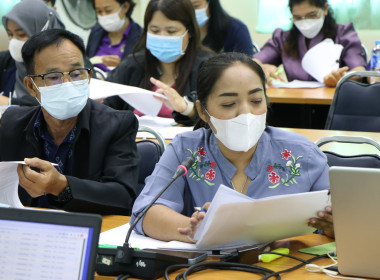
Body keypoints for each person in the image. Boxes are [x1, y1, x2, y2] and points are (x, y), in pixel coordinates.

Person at [130, 52, 333, 243]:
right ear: (202, 111)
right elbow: (145, 213)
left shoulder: (303, 154)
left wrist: (334, 227)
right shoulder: (186, 151)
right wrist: (200, 229)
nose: (246, 113)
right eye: (228, 104)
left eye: (255, 100)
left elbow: (342, 221)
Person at [0, 29, 139, 215]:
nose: (67, 84)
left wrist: (61, 186)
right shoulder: (11, 125)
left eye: (76, 74)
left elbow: (123, 197)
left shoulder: (117, 125)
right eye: (53, 77)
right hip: (24, 233)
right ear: (31, 87)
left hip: (85, 233)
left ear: (89, 77)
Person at [104, 0, 213, 126]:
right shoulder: (132, 65)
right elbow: (106, 108)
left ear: (190, 32)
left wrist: (188, 108)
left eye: (171, 31)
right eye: (155, 31)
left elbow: (218, 119)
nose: (163, 37)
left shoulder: (207, 68)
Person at [253, 0, 366, 87]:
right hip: (294, 103)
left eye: (312, 15)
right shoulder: (283, 38)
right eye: (298, 17)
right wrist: (261, 68)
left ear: (325, 8)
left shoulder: (343, 34)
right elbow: (253, 63)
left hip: (332, 104)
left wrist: (341, 79)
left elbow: (359, 71)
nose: (305, 22)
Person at [1, 0, 66, 106]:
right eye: (10, 34)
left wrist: (10, 103)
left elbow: (58, 106)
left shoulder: (66, 66)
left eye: (21, 35)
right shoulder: (8, 61)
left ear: (42, 33)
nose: (14, 41)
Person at [86, 0, 142, 74]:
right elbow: (85, 62)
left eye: (108, 11)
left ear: (125, 7)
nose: (103, 16)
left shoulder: (141, 37)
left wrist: (122, 66)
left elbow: (139, 75)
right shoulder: (96, 31)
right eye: (99, 11)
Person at [190, 0, 255, 56]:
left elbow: (247, 66)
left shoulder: (237, 29)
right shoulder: (182, 33)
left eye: (196, 6)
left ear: (211, 3)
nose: (191, 12)